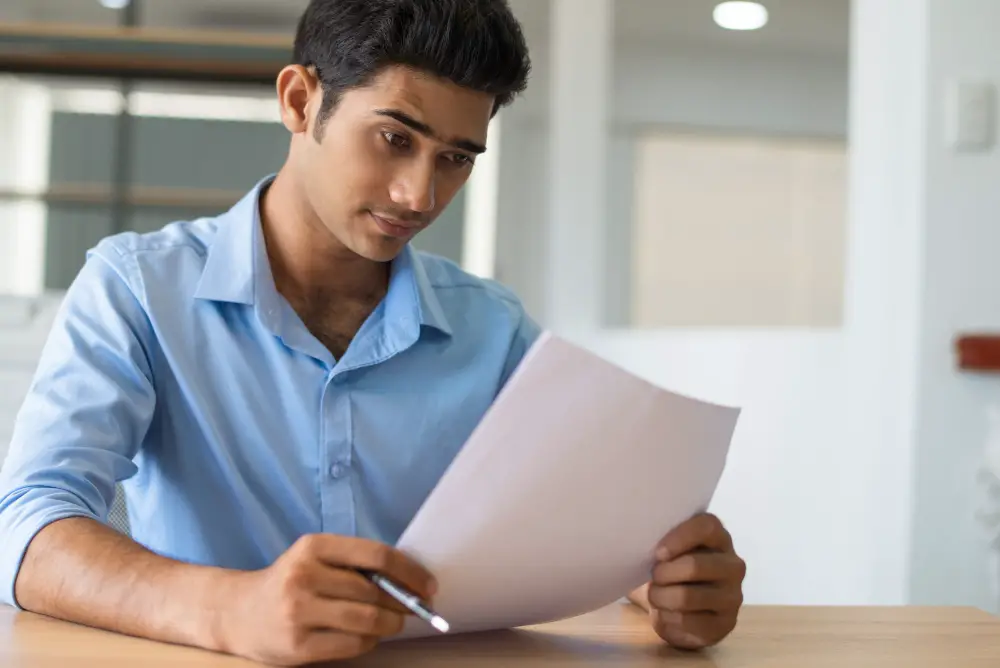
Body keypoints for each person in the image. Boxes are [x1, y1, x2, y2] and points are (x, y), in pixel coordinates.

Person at [0, 0, 746, 664]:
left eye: (455, 159)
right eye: (395, 138)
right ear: (300, 100)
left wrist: (665, 581)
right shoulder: (136, 288)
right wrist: (230, 608)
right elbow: (27, 526)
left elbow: (592, 526)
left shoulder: (494, 328)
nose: (419, 194)